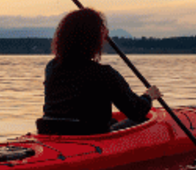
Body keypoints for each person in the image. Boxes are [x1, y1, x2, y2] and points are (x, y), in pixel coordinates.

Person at [37, 7, 161, 135]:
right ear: (93, 39)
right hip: (88, 135)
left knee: (112, 121)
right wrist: (148, 96)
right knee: (142, 120)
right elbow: (136, 111)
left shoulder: (52, 67)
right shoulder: (104, 74)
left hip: (50, 131)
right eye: (102, 33)